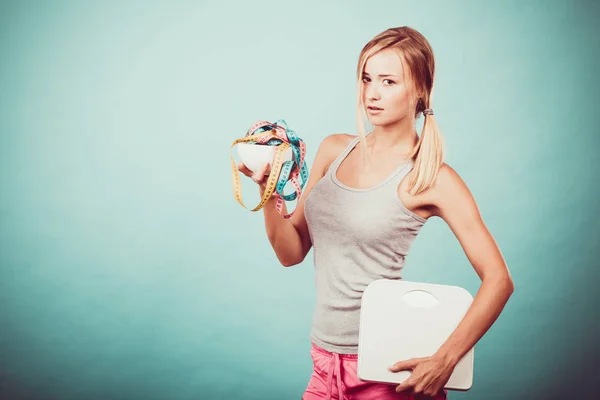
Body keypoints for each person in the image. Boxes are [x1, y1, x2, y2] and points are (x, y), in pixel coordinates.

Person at [237, 26, 514, 400]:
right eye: (367, 78)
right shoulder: (334, 150)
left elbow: (499, 279)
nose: (372, 92)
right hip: (323, 364)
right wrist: (267, 187)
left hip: (385, 371)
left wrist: (445, 360)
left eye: (388, 81)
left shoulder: (431, 178)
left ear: (419, 89)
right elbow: (291, 253)